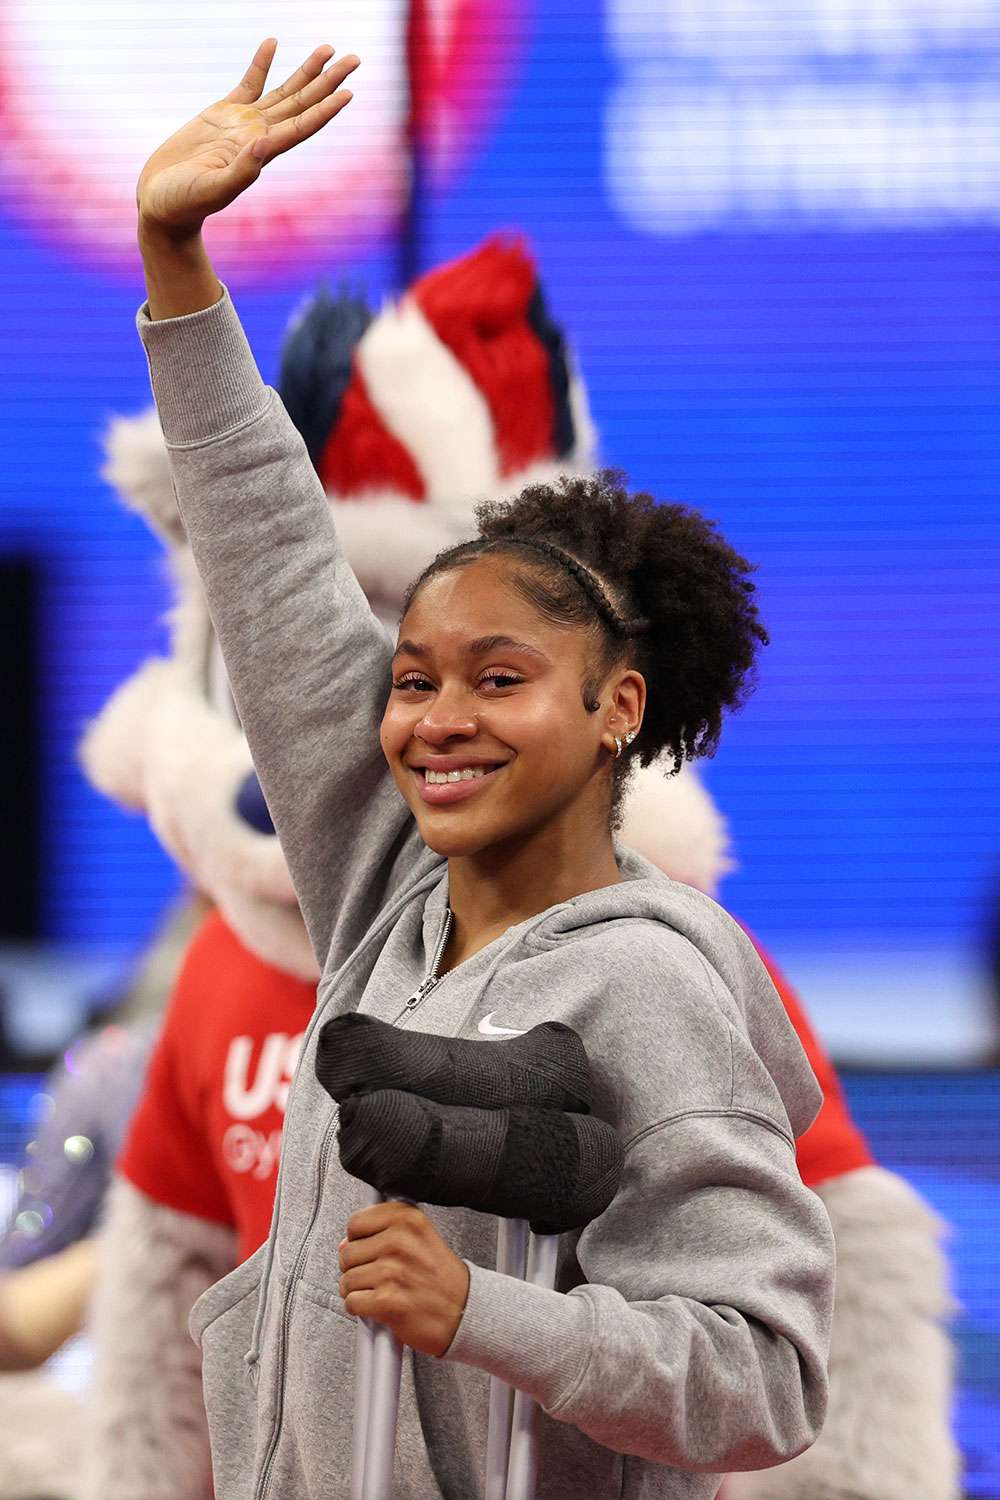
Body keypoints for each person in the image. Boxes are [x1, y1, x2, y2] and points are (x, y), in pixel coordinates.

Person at [128, 39, 834, 1499]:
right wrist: (176, 260)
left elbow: (765, 1378)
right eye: (413, 680)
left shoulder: (652, 989)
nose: (435, 717)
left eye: (499, 681)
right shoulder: (387, 881)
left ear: (616, 706)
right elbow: (272, 564)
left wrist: (482, 1316)